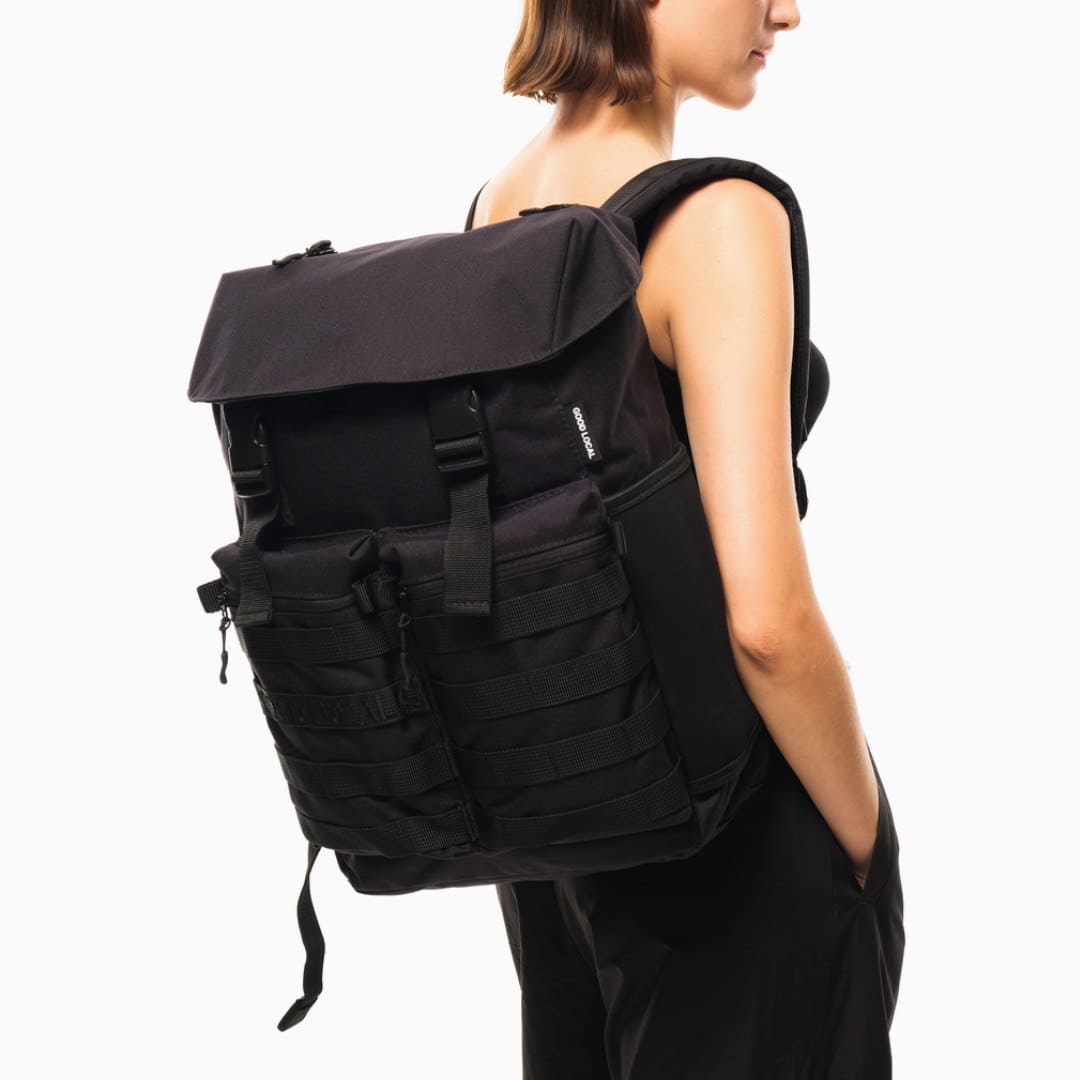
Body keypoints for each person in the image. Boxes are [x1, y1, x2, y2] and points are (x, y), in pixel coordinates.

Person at [464, 2, 906, 1077]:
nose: (787, 12)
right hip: (733, 839)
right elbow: (765, 622)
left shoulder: (494, 207)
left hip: (563, 831)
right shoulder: (717, 221)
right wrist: (864, 834)